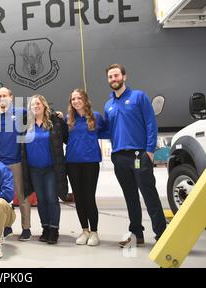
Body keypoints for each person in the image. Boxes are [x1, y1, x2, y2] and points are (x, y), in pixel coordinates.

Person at [104, 63, 166, 247]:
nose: (113, 79)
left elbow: (150, 123)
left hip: (139, 155)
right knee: (130, 196)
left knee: (149, 194)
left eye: (116, 75)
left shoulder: (139, 97)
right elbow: (107, 130)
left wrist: (149, 151)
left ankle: (162, 234)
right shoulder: (109, 105)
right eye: (110, 77)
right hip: (119, 157)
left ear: (124, 76)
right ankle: (136, 233)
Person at [21, 95, 68, 244]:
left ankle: (54, 230)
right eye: (33, 104)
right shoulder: (26, 124)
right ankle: (45, 228)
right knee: (41, 200)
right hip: (34, 169)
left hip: (51, 169)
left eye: (38, 103)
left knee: (51, 199)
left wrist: (61, 117)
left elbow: (66, 136)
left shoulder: (54, 121)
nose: (36, 106)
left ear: (44, 105)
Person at [0, 87, 30, 240]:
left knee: (22, 196)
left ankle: (26, 228)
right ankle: (6, 226)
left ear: (11, 97)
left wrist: (54, 114)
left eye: (4, 95)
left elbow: (39, 114)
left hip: (16, 161)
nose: (2, 98)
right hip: (0, 164)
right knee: (3, 198)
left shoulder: (21, 112)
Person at [66, 89, 106, 246]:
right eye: (73, 99)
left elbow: (105, 131)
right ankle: (84, 230)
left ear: (85, 99)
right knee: (79, 198)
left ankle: (94, 232)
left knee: (89, 197)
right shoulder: (69, 119)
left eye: (78, 98)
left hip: (90, 162)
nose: (76, 101)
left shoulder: (95, 117)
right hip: (72, 162)